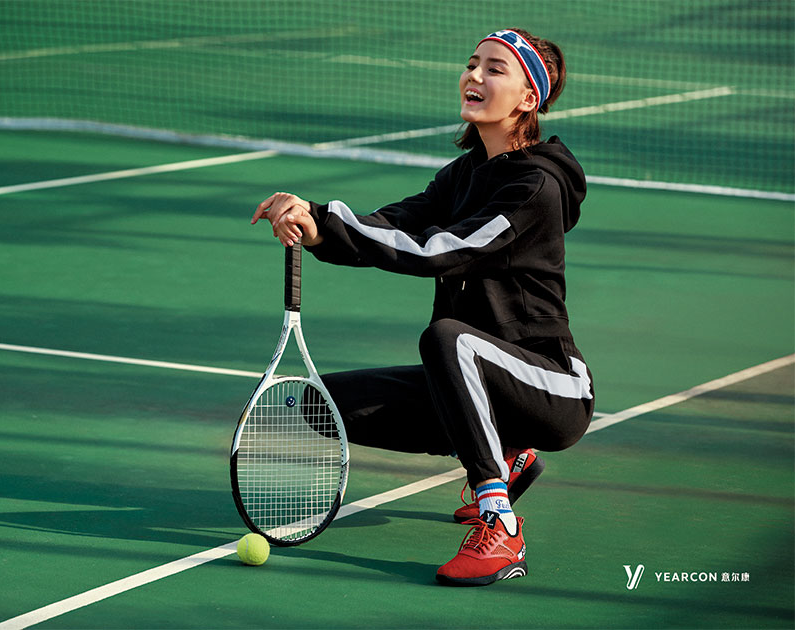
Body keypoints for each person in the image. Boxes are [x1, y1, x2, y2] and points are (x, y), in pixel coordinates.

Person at [250, 28, 594, 586]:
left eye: (495, 69)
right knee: (323, 405)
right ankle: (508, 455)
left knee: (448, 338)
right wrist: (317, 225)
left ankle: (500, 522)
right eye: (472, 63)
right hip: (475, 378)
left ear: (528, 98)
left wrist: (329, 217)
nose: (474, 75)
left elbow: (441, 251)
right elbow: (394, 223)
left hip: (552, 387)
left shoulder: (536, 186)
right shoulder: (462, 175)